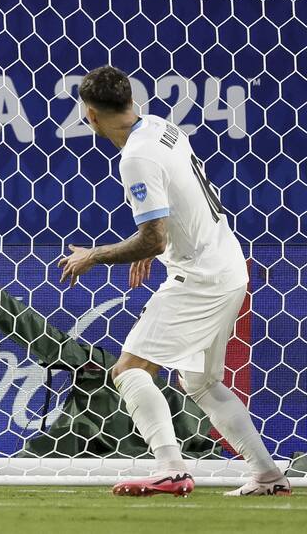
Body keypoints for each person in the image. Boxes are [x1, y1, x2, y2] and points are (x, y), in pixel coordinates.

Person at [56, 66, 290, 497]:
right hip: (228, 266)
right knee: (201, 383)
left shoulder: (136, 158)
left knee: (130, 369)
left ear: (90, 115)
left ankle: (170, 469)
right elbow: (178, 206)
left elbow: (154, 236)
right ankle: (268, 475)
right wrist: (155, 248)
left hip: (199, 278)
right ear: (132, 100)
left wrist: (94, 255)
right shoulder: (161, 127)